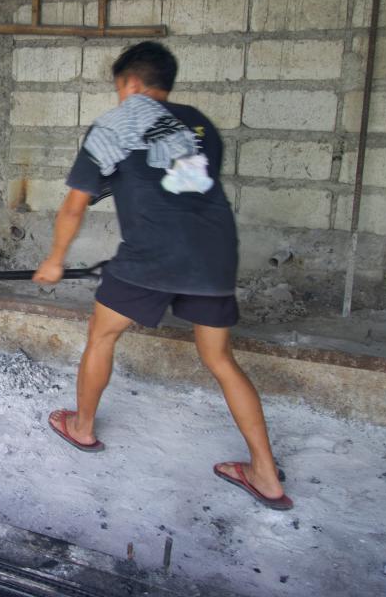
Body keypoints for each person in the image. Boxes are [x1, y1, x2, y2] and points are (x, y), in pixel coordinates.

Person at [33, 41, 292, 510]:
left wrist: (54, 259)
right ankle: (266, 475)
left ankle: (82, 427)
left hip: (151, 254)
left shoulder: (113, 124)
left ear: (131, 84)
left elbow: (74, 205)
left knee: (102, 336)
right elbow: (183, 186)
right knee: (220, 359)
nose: (119, 99)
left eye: (119, 89)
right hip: (214, 255)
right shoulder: (199, 125)